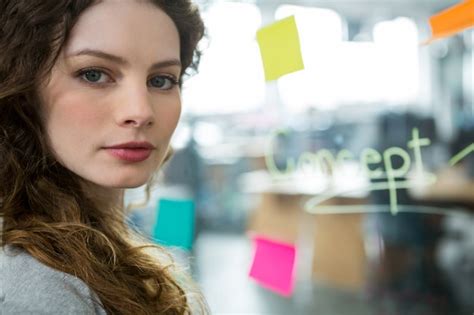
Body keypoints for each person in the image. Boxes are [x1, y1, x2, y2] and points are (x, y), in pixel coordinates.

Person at [0, 0, 207, 314]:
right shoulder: (38, 286)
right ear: (24, 90)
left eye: (162, 80)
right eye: (94, 74)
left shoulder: (94, 251)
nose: (141, 112)